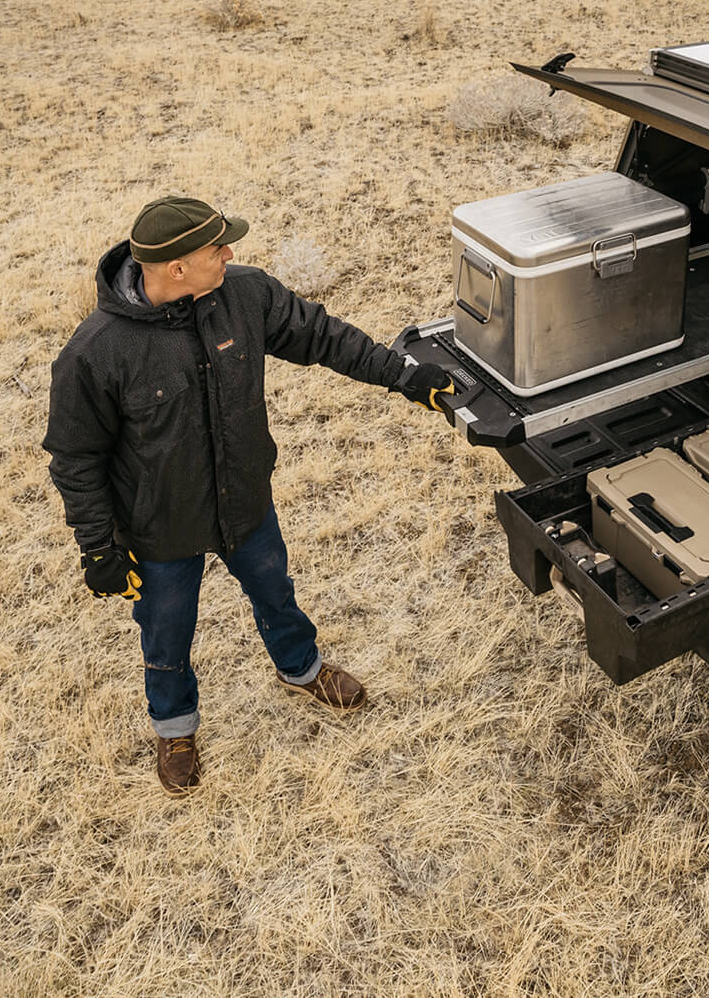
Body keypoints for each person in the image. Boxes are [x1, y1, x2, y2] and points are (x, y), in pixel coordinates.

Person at [42, 194, 453, 796]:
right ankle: (175, 726)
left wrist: (404, 376)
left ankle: (301, 668)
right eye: (218, 248)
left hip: (245, 501)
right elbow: (76, 459)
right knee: (166, 629)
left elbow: (326, 338)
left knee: (274, 589)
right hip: (160, 525)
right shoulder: (96, 352)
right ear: (177, 268)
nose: (230, 254)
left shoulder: (246, 294)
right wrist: (98, 548)